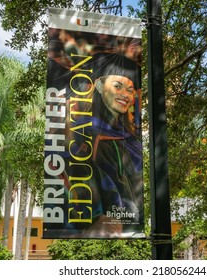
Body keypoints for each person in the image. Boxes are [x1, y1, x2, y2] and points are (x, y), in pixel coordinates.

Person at [68, 52, 144, 238]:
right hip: (107, 226)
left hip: (131, 226)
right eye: (118, 86)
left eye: (130, 89)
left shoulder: (131, 137)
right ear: (100, 85)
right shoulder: (85, 130)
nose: (125, 95)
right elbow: (81, 175)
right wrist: (95, 216)